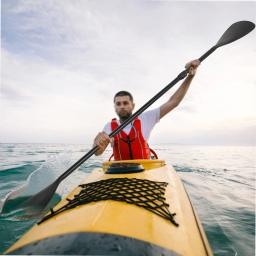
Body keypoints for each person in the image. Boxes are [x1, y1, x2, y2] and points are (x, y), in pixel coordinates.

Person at [93, 59, 200, 160]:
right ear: (115, 107)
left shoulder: (146, 118)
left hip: (144, 169)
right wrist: (97, 144)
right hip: (120, 170)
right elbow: (98, 153)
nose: (122, 106)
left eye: (125, 103)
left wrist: (190, 77)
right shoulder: (109, 127)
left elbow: (173, 102)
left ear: (133, 105)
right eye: (118, 104)